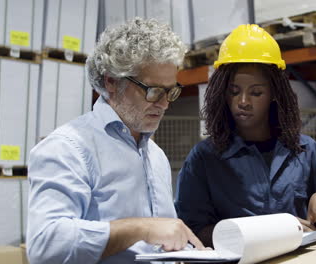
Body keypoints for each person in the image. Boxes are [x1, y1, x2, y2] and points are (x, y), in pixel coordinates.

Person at [26, 18, 204, 264]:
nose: (164, 104)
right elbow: (45, 245)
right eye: (153, 91)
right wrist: (142, 229)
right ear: (111, 82)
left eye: (170, 91)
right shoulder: (68, 148)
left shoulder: (155, 156)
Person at [175, 24, 316, 247]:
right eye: (234, 91)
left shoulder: (307, 152)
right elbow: (192, 229)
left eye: (256, 92)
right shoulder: (204, 159)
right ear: (222, 93)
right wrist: (264, 232)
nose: (243, 102)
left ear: (274, 95)